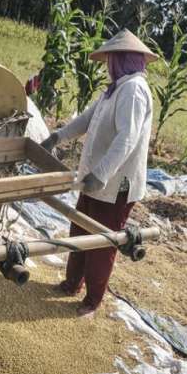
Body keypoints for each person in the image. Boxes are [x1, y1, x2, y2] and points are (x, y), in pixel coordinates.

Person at [40, 29, 158, 317]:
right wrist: (58, 136)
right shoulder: (116, 88)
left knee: (102, 241)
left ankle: (93, 300)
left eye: (111, 60)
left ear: (123, 59)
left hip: (116, 184)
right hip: (95, 179)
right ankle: (72, 283)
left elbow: (126, 138)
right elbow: (87, 119)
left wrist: (102, 173)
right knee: (80, 229)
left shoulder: (133, 90)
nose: (108, 65)